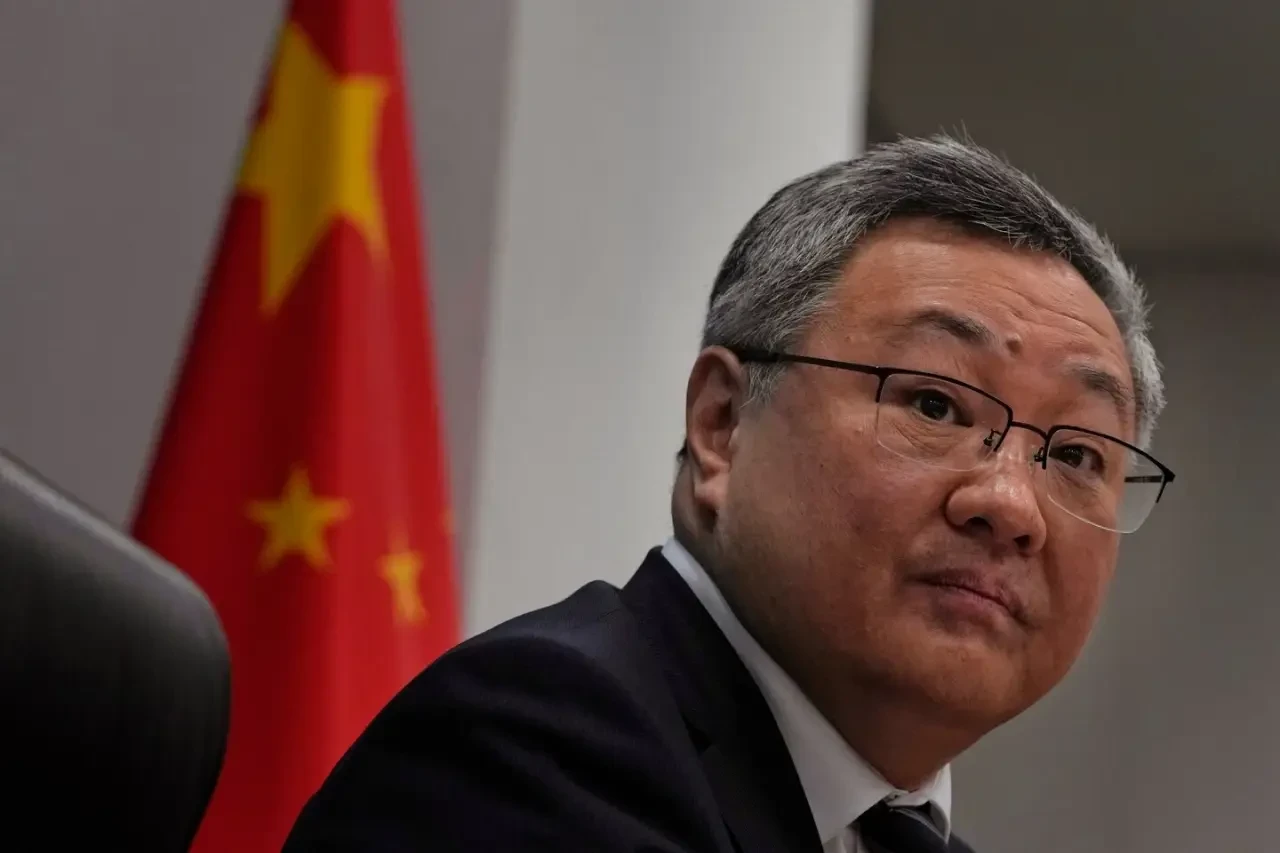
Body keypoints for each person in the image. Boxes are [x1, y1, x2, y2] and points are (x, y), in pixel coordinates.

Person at [282, 136, 1176, 853]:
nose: (1012, 504)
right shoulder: (540, 741)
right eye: (935, 404)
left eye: (1078, 454)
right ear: (721, 423)